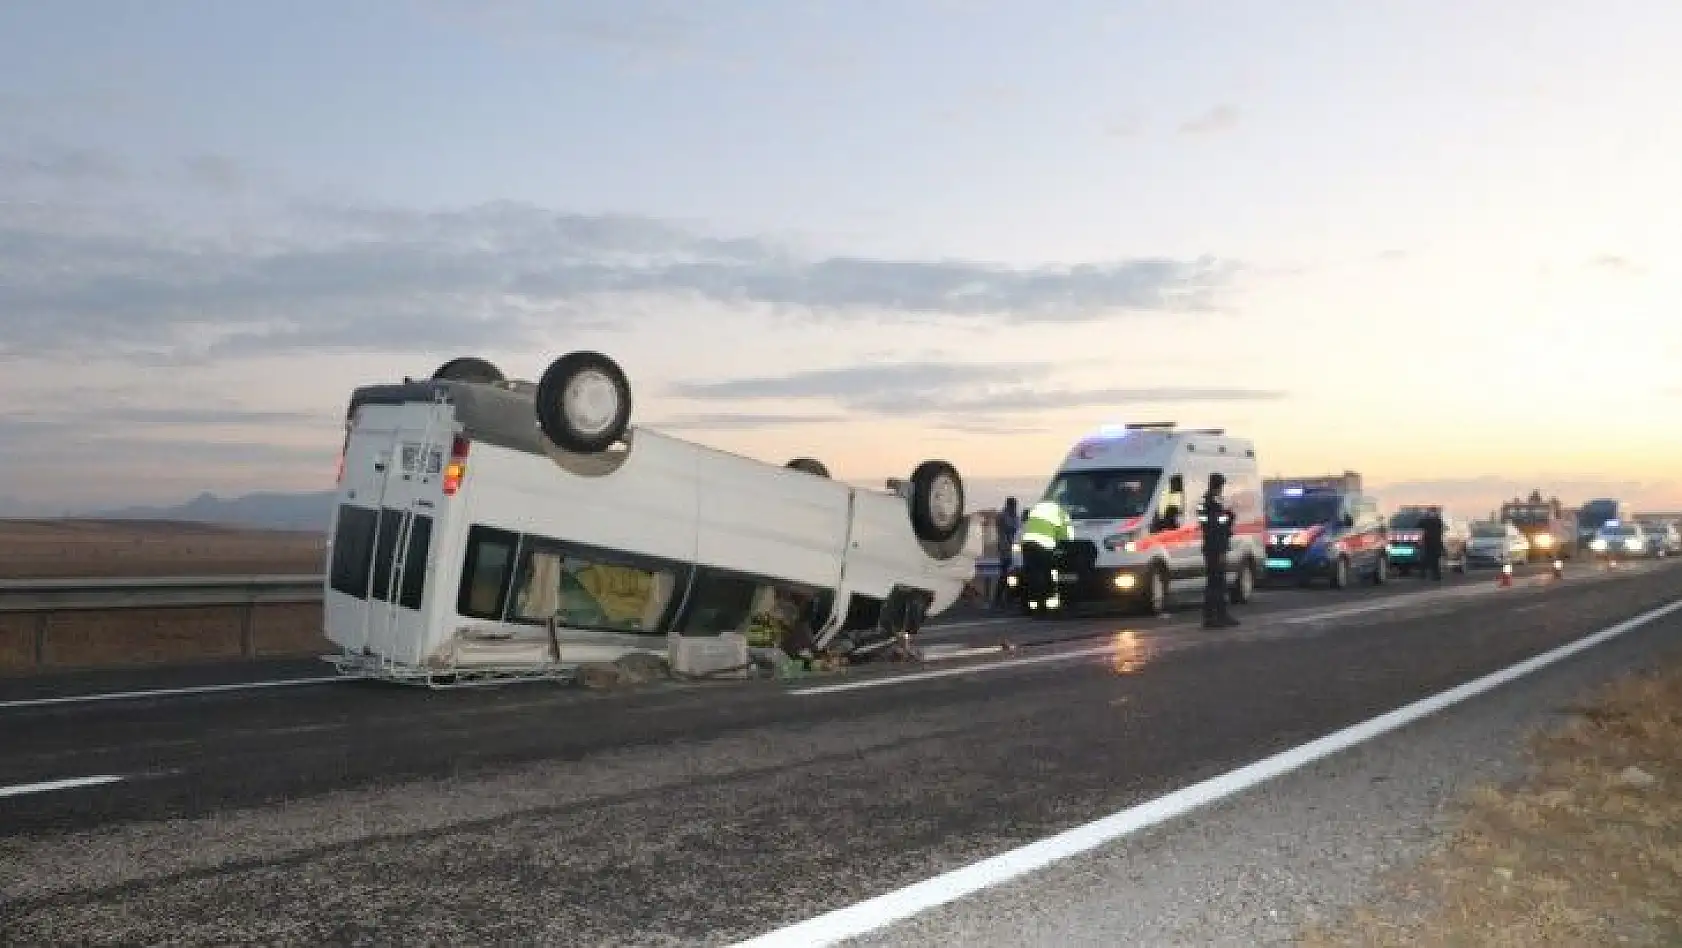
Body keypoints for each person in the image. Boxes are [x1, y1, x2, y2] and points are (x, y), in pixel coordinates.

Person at [1196, 473, 1240, 629]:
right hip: (1216, 546)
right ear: (1218, 485)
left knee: (1214, 582)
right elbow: (1216, 525)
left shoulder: (1205, 502)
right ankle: (1216, 616)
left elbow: (1207, 523)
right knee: (1217, 582)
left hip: (1211, 546)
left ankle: (1215, 615)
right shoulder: (1212, 503)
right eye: (1221, 485)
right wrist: (1228, 517)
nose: (1221, 489)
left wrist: (1225, 517)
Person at [1018, 499, 1073, 612]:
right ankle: (1043, 602)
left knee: (1029, 573)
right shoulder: (1061, 514)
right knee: (1046, 573)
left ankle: (1026, 603)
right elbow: (1065, 537)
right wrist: (1065, 548)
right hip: (1043, 546)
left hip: (1027, 545)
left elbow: (1026, 525)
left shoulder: (1037, 510)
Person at [992, 498, 1020, 609]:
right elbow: (1011, 528)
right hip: (1006, 550)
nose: (1014, 507)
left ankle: (1008, 597)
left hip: (1014, 551)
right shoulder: (1003, 517)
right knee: (1005, 574)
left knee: (1012, 575)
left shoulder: (1014, 517)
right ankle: (1000, 598)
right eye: (1012, 505)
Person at [1418, 506, 1445, 581]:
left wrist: (1424, 517)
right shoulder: (1438, 520)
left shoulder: (1428, 520)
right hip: (1434, 542)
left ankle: (1427, 574)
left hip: (1430, 542)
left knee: (1428, 559)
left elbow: (1419, 525)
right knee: (1432, 560)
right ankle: (1434, 575)